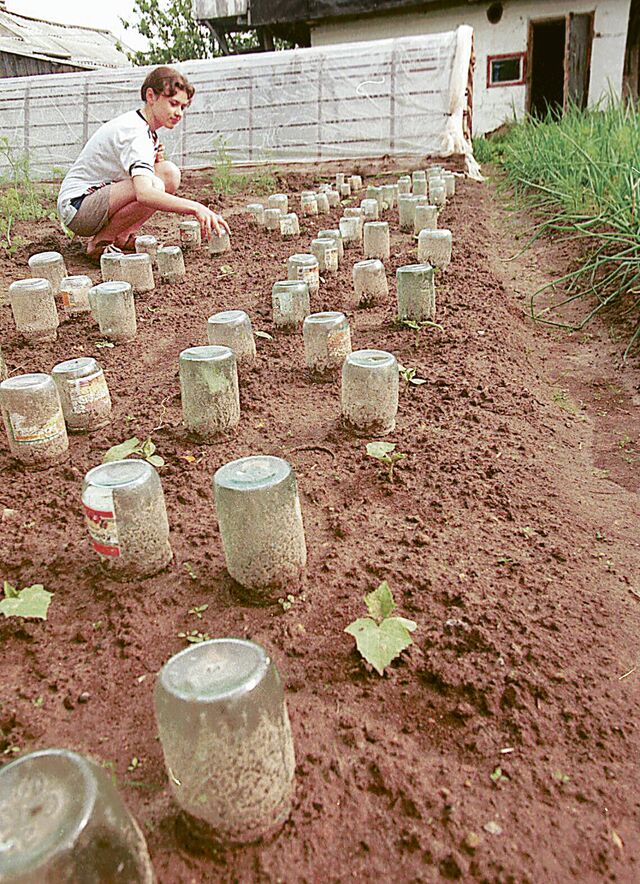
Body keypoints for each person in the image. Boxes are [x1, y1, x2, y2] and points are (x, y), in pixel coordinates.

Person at [57, 66, 230, 263]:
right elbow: (144, 194)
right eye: (173, 103)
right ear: (151, 96)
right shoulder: (135, 132)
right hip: (78, 207)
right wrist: (196, 208)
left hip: (96, 200)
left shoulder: (145, 130)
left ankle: (122, 237)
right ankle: (101, 243)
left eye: (183, 107)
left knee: (169, 174)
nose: (179, 113)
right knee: (153, 185)